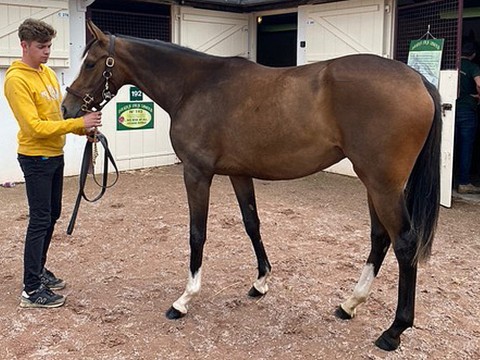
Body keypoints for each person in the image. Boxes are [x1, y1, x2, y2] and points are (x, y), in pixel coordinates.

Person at [4, 18, 102, 308]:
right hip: (35, 157)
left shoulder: (46, 73)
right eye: (41, 47)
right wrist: (77, 124)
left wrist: (83, 129)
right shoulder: (16, 80)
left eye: (49, 46)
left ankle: (38, 271)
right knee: (39, 220)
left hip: (54, 155)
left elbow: (56, 117)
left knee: (51, 215)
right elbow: (33, 127)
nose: (47, 52)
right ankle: (31, 290)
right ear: (24, 46)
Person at [455, 41, 480, 194]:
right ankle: (463, 182)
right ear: (474, 54)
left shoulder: (454, 64)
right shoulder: (473, 67)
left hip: (450, 109)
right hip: (467, 112)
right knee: (466, 147)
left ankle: (448, 180)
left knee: (450, 146)